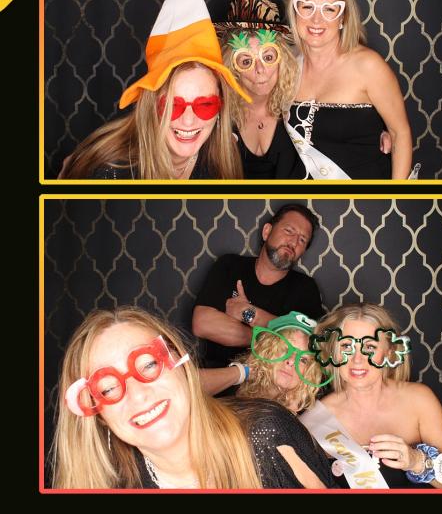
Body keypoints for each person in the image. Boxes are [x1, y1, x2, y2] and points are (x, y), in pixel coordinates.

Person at [50, 307, 335, 489]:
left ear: (181, 362)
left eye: (149, 365)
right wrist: (244, 371)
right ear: (97, 414)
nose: (138, 393)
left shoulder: (268, 431)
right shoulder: (112, 481)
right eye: (108, 388)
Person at [59, 0, 248, 180]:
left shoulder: (223, 154)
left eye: (205, 105)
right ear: (151, 104)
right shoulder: (109, 172)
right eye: (172, 105)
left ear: (220, 107)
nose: (188, 121)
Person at [300, 303, 442, 489]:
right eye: (347, 345)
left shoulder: (419, 400)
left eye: (370, 346)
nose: (357, 359)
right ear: (334, 351)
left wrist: (416, 461)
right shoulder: (312, 422)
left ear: (389, 351)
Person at [284, 0, 413, 179]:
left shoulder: (368, 66)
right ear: (294, 12)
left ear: (343, 17)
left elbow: (400, 134)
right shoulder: (283, 64)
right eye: (307, 7)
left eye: (329, 9)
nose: (316, 19)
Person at [192, 204, 324, 369]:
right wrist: (272, 338)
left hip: (271, 380)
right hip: (217, 372)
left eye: (302, 240)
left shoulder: (305, 288)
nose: (293, 242)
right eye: (289, 231)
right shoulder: (229, 265)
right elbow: (202, 323)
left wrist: (248, 313)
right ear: (267, 231)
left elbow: (308, 343)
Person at [215, 0, 307, 179]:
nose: (260, 69)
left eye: (268, 57)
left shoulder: (300, 110)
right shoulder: (216, 118)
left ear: (282, 61)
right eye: (246, 61)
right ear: (232, 68)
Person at [204, 312, 328, 415]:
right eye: (284, 349)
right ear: (266, 350)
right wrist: (242, 371)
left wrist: (290, 412)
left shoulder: (308, 420)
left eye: (303, 359)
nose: (291, 361)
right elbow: (192, 388)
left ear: (310, 374)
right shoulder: (230, 382)